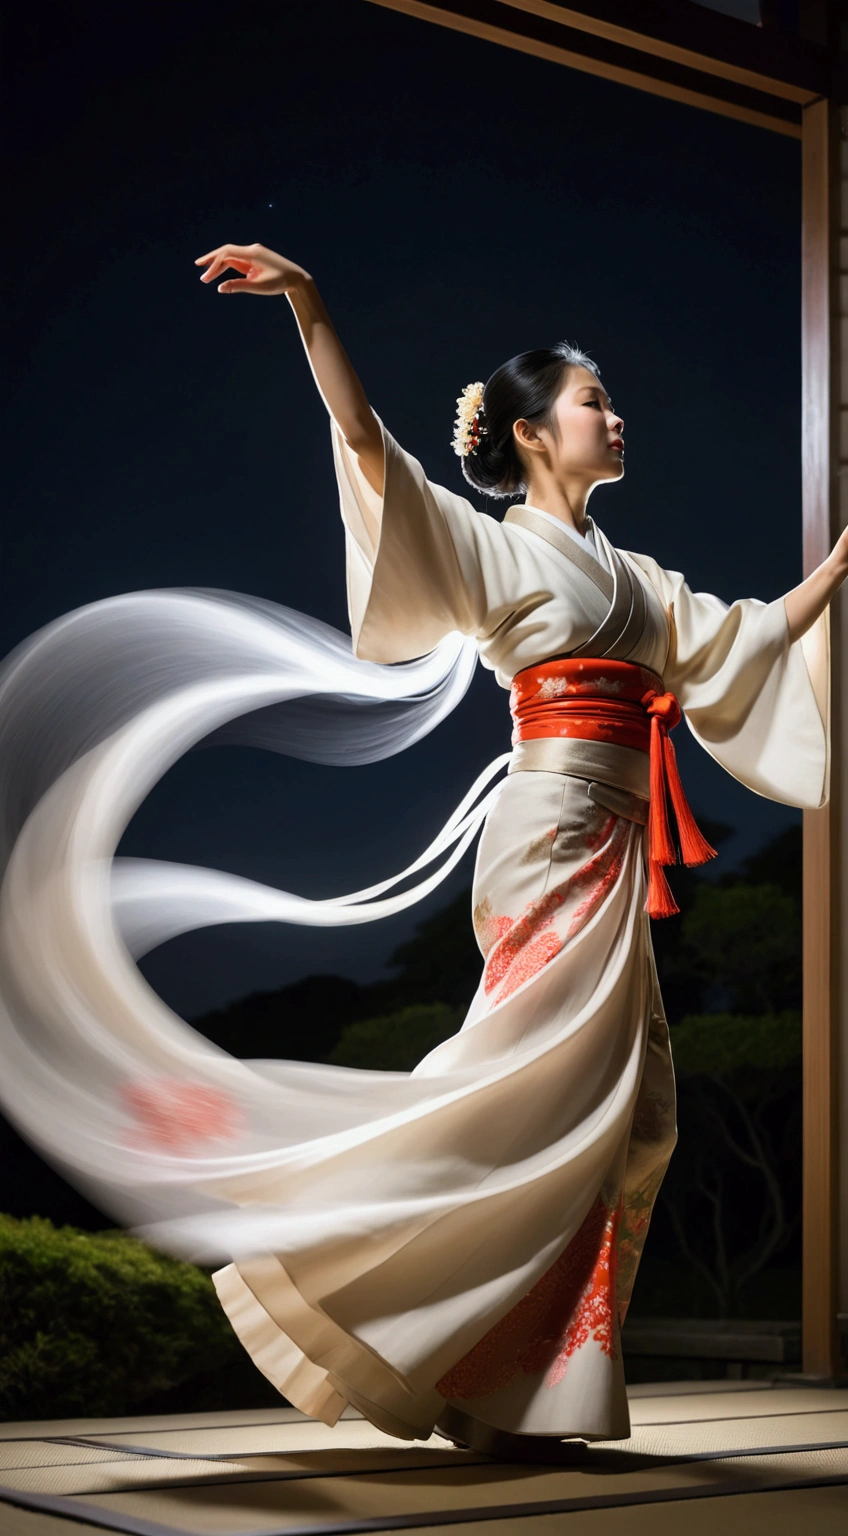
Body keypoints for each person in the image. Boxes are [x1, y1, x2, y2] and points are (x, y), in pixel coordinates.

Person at [0, 240, 843, 1459]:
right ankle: (429, 1337)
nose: (616, 416)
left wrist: (833, 571)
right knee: (542, 1091)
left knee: (634, 1114)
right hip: (551, 833)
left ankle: (498, 1378)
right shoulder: (494, 547)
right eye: (592, 401)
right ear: (530, 435)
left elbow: (744, 641)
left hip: (598, 838)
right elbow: (364, 448)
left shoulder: (635, 577)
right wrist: (310, 306)